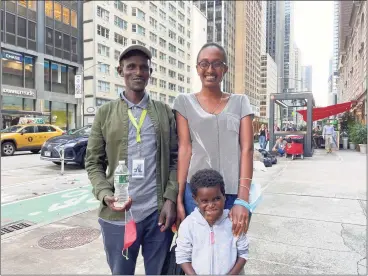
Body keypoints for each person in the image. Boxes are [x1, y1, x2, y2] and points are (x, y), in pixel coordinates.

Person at [85, 45, 178, 275]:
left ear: (150, 72)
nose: (138, 72)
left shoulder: (164, 112)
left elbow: (176, 159)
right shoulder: (105, 113)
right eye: (131, 67)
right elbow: (93, 162)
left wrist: (170, 199)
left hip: (157, 215)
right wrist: (105, 194)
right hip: (118, 216)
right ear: (120, 71)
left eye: (144, 67)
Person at [173, 42, 254, 237]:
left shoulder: (240, 102)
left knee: (231, 249)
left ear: (225, 69)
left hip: (233, 191)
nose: (210, 69)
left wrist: (243, 199)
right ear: (197, 68)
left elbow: (247, 150)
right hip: (196, 193)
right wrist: (179, 197)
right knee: (198, 248)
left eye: (217, 64)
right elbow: (185, 149)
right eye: (204, 64)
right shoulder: (184, 102)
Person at [175, 169, 249, 275]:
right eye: (204, 201)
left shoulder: (234, 222)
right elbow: (182, 256)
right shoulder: (188, 225)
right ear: (195, 199)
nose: (211, 205)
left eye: (216, 199)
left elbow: (243, 253)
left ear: (224, 196)